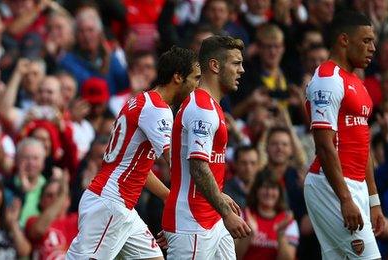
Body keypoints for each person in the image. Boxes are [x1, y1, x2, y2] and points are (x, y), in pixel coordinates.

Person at [67, 46, 201, 259]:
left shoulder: (141, 101)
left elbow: (139, 168)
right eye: (195, 78)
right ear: (178, 77)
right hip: (110, 204)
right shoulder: (158, 110)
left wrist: (168, 197)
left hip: (122, 207)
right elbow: (175, 162)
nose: (197, 85)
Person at [304, 10, 384, 259]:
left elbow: (363, 144)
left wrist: (373, 200)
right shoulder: (327, 80)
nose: (372, 48)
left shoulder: (355, 81)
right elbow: (324, 145)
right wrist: (345, 198)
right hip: (331, 185)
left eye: (373, 41)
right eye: (366, 40)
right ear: (344, 40)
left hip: (354, 183)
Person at [162, 36, 251, 259]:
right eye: (236, 63)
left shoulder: (212, 106)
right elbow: (198, 167)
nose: (242, 70)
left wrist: (219, 198)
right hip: (192, 221)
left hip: (211, 218)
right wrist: (226, 213)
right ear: (214, 65)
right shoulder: (201, 108)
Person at [236, 174, 299, 260]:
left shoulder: (288, 221)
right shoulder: (243, 216)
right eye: (264, 187)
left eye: (273, 188)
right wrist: (249, 234)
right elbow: (234, 256)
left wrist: (280, 233)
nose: (269, 192)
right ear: (256, 191)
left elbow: (288, 258)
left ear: (280, 193)